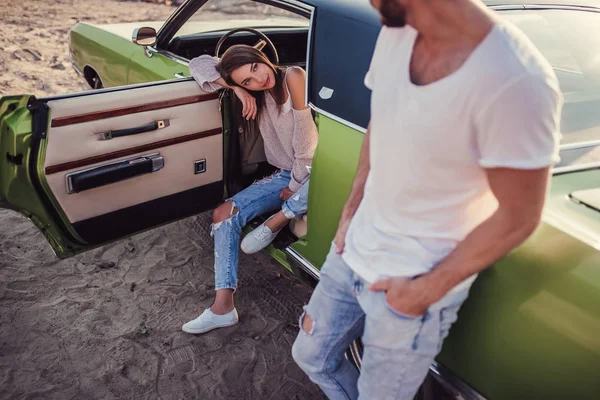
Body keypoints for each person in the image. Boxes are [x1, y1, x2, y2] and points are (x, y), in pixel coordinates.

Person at [291, 0, 563, 399]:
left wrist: (424, 290)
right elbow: (379, 125)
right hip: (352, 252)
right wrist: (349, 217)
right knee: (310, 355)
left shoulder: (516, 78)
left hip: (413, 283)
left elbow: (520, 216)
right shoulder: (397, 32)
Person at [181, 45, 318, 334]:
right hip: (284, 174)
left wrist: (293, 186)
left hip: (308, 172)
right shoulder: (254, 91)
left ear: (261, 58)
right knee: (223, 214)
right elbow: (199, 62)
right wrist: (236, 89)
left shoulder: (293, 76)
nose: (259, 80)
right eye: (248, 81)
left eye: (256, 68)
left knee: (302, 184)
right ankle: (223, 307)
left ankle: (278, 219)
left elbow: (307, 146)